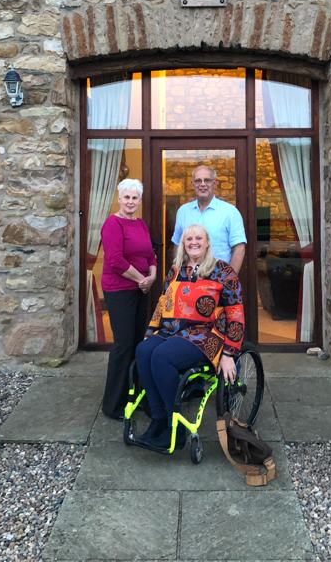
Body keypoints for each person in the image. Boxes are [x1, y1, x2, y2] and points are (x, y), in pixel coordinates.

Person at [135, 223, 245, 449]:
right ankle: (158, 418)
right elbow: (162, 303)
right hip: (172, 330)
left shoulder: (223, 271)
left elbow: (236, 315)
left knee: (161, 357)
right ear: (183, 245)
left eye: (198, 239)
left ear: (207, 243)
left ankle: (174, 424)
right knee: (143, 351)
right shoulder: (176, 270)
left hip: (205, 335)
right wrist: (150, 333)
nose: (194, 242)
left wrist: (228, 354)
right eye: (189, 239)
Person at [100, 178, 157, 421]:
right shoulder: (113, 224)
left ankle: (137, 396)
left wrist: (152, 275)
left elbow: (150, 253)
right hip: (120, 289)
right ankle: (113, 404)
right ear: (119, 198)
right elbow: (115, 260)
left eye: (135, 197)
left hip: (141, 288)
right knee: (123, 345)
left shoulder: (140, 224)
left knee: (140, 343)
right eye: (127, 197)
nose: (131, 201)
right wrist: (141, 279)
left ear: (139, 200)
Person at [171, 164, 247, 273]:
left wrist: (229, 280)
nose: (202, 184)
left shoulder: (230, 212)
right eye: (198, 181)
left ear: (215, 183)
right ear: (192, 184)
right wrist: (178, 273)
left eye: (207, 180)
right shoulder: (183, 212)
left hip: (218, 278)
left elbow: (239, 248)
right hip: (188, 280)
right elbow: (177, 244)